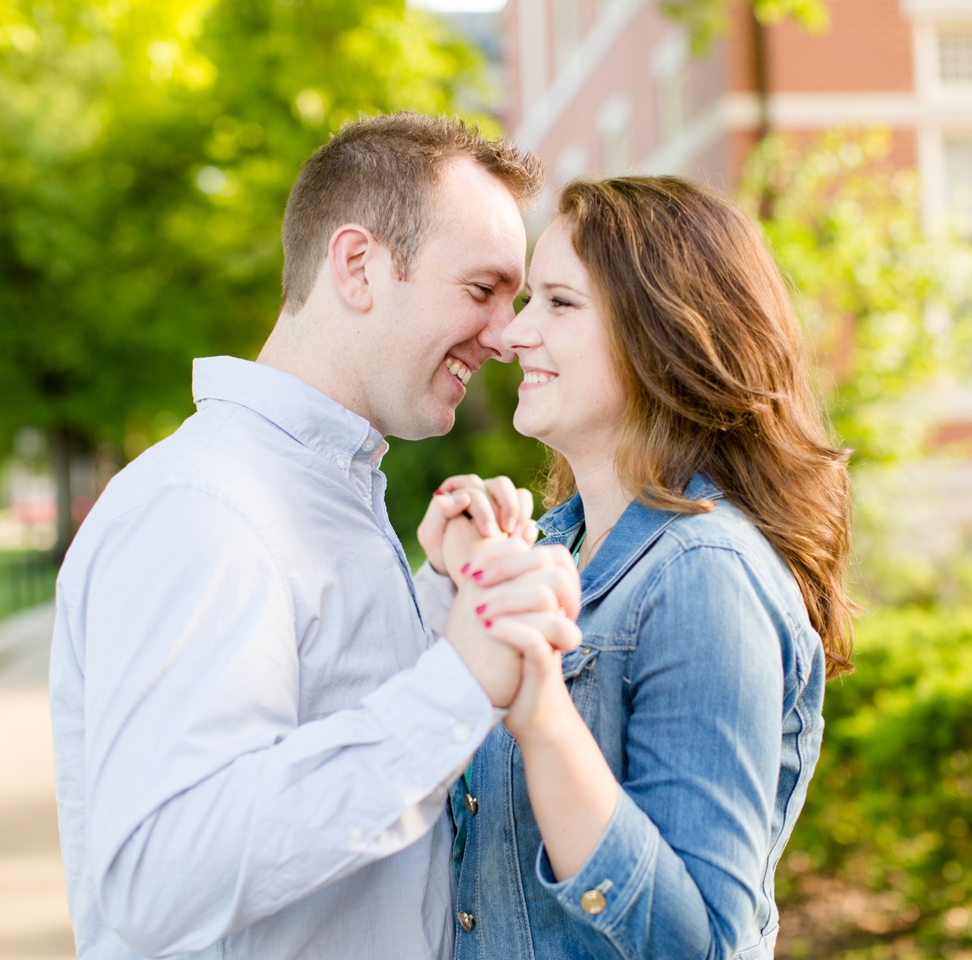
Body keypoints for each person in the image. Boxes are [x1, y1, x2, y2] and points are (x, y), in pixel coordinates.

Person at [48, 113, 583, 960]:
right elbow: (156, 873)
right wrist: (457, 682)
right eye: (483, 290)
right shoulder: (205, 508)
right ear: (359, 266)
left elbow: (335, 763)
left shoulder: (320, 493)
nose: (508, 335)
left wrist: (449, 599)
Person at [424, 176, 855, 960]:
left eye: (559, 303)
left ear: (662, 331)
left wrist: (541, 706)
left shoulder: (704, 573)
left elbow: (698, 945)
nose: (513, 336)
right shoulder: (556, 550)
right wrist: (463, 575)